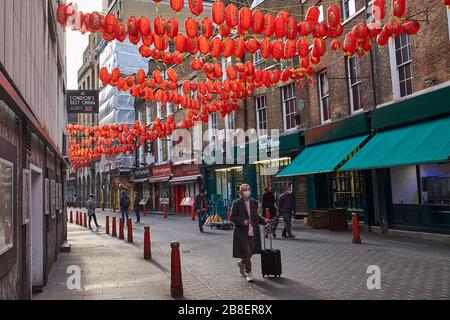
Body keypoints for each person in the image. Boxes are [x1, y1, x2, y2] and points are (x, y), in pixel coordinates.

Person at [230, 184, 269, 282]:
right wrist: (242, 222)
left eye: (248, 189)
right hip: (242, 232)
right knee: (246, 252)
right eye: (244, 190)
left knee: (251, 252)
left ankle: (242, 262)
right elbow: (232, 217)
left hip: (253, 232)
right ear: (241, 192)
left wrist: (265, 220)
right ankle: (249, 273)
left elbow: (256, 216)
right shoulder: (237, 203)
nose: (247, 191)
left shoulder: (254, 202)